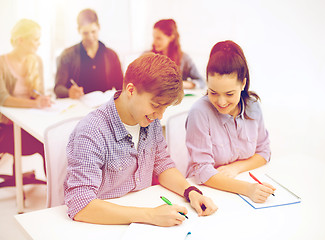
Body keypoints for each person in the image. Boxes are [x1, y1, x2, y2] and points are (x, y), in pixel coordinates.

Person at [64, 53, 217, 226]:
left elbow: (162, 164)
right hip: (101, 224)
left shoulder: (149, 121)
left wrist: (191, 192)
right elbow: (81, 205)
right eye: (156, 105)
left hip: (139, 215)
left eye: (165, 108)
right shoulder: (91, 131)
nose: (159, 116)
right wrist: (150, 216)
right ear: (131, 90)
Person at [185, 40, 276, 203]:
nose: (221, 102)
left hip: (241, 182)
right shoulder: (199, 112)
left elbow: (264, 152)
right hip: (207, 193)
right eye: (213, 92)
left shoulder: (253, 107)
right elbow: (203, 171)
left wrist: (235, 168)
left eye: (229, 94)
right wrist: (247, 189)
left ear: (243, 84)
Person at [0, 19, 51, 171]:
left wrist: (42, 99)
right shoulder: (1, 63)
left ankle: (53, 193)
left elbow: (39, 93)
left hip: (30, 123)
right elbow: (3, 99)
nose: (38, 43)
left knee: (53, 142)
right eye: (35, 39)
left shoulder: (37, 61)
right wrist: (35, 104)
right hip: (6, 129)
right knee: (46, 143)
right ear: (21, 40)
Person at [54, 8, 123, 99]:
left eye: (93, 32)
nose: (90, 37)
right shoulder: (67, 55)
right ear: (79, 30)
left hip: (104, 105)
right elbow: (58, 88)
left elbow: (121, 86)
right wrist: (69, 92)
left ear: (99, 27)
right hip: (78, 106)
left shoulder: (111, 55)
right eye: (85, 33)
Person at [147, 19, 205, 89]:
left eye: (159, 38)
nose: (154, 42)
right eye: (154, 37)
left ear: (171, 37)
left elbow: (201, 82)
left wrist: (181, 84)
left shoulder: (184, 59)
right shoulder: (147, 56)